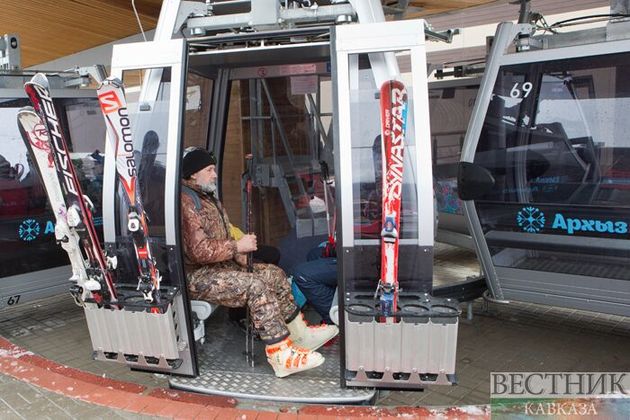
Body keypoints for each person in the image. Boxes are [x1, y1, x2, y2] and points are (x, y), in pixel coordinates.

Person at [180, 148, 338, 378]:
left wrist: (241, 255)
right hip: (199, 276)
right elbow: (198, 251)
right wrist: (237, 247)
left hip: (221, 267)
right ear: (194, 174)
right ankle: (280, 354)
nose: (215, 174)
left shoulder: (208, 198)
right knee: (255, 286)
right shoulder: (187, 203)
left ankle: (298, 334)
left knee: (274, 274)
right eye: (210, 170)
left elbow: (223, 237)